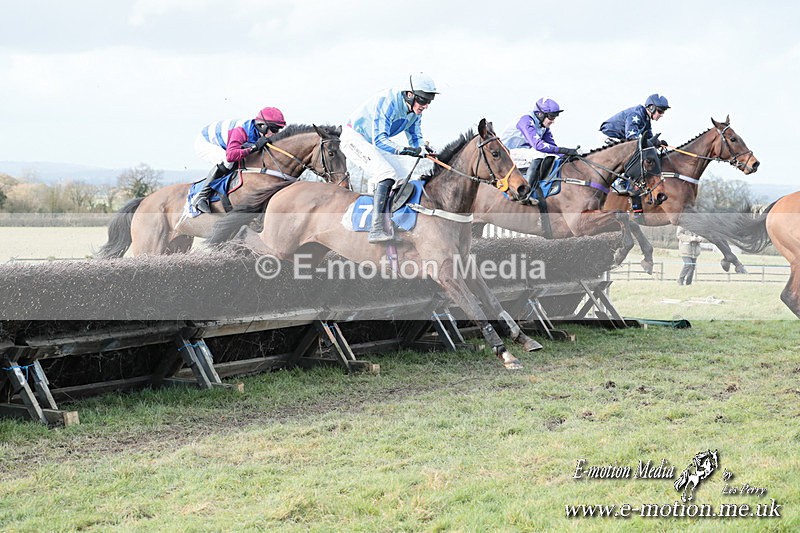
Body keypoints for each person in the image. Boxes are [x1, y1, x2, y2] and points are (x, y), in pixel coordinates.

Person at [341, 72, 437, 243]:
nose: (426, 105)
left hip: (371, 141)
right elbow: (379, 140)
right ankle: (376, 228)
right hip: (354, 138)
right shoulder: (388, 101)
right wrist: (408, 150)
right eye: (423, 100)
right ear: (409, 94)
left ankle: (392, 222)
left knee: (404, 176)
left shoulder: (415, 111)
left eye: (429, 101)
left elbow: (415, 137)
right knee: (385, 173)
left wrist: (423, 148)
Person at [191, 107, 287, 213]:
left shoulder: (258, 131)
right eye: (274, 129)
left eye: (278, 130)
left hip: (228, 143)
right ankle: (200, 196)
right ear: (262, 126)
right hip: (206, 142)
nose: (276, 133)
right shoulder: (241, 131)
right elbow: (230, 156)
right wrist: (254, 148)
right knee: (228, 162)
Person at [501, 97, 583, 187]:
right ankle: (527, 192)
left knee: (553, 157)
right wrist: (565, 150)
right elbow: (538, 146)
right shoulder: (526, 120)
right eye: (551, 117)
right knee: (539, 154)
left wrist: (567, 155)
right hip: (505, 155)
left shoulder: (543, 126)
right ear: (540, 114)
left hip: (521, 155)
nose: (553, 121)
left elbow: (552, 147)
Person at [599, 94, 670, 196]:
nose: (662, 114)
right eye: (660, 111)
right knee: (633, 153)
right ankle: (619, 182)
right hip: (609, 135)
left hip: (621, 138)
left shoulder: (646, 119)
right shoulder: (635, 114)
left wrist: (658, 142)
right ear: (651, 108)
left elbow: (648, 140)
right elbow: (631, 137)